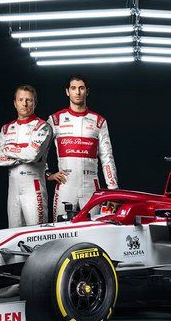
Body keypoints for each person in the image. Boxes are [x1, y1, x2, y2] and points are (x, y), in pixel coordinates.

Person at [47, 74, 119, 219]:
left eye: (81, 88)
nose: (78, 92)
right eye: (73, 88)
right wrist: (47, 174)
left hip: (91, 185)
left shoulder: (99, 121)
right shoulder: (55, 120)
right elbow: (40, 152)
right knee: (61, 232)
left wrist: (113, 190)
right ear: (67, 91)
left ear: (87, 91)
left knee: (94, 229)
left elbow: (107, 158)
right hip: (66, 184)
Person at [0, 85, 53, 228]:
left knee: (36, 233)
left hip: (34, 186)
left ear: (35, 103)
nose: (24, 104)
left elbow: (32, 154)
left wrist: (8, 149)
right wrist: (21, 153)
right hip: (13, 188)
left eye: (29, 100)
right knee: (13, 234)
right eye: (21, 100)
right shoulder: (6, 128)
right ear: (15, 103)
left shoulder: (43, 126)